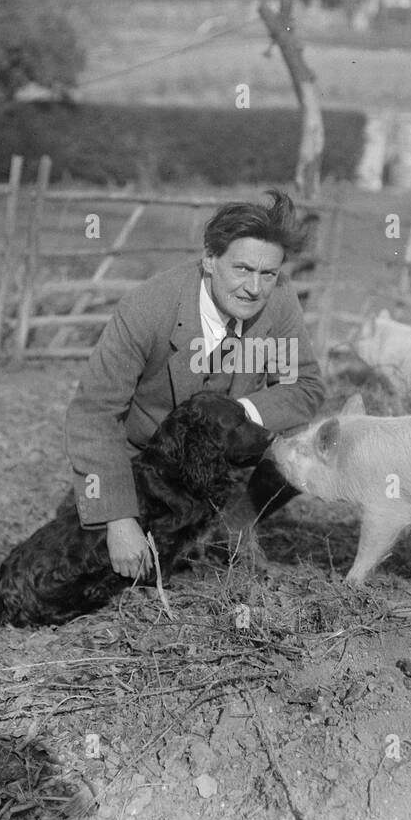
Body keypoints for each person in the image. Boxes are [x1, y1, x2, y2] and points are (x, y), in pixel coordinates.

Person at [65, 189, 325, 579]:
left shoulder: (279, 302)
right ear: (209, 259)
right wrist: (119, 520)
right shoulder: (147, 310)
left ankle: (232, 526)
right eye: (241, 269)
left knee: (303, 437)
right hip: (153, 461)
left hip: (223, 453)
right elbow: (95, 415)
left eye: (268, 273)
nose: (254, 288)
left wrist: (238, 416)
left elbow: (302, 386)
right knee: (105, 570)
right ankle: (172, 522)